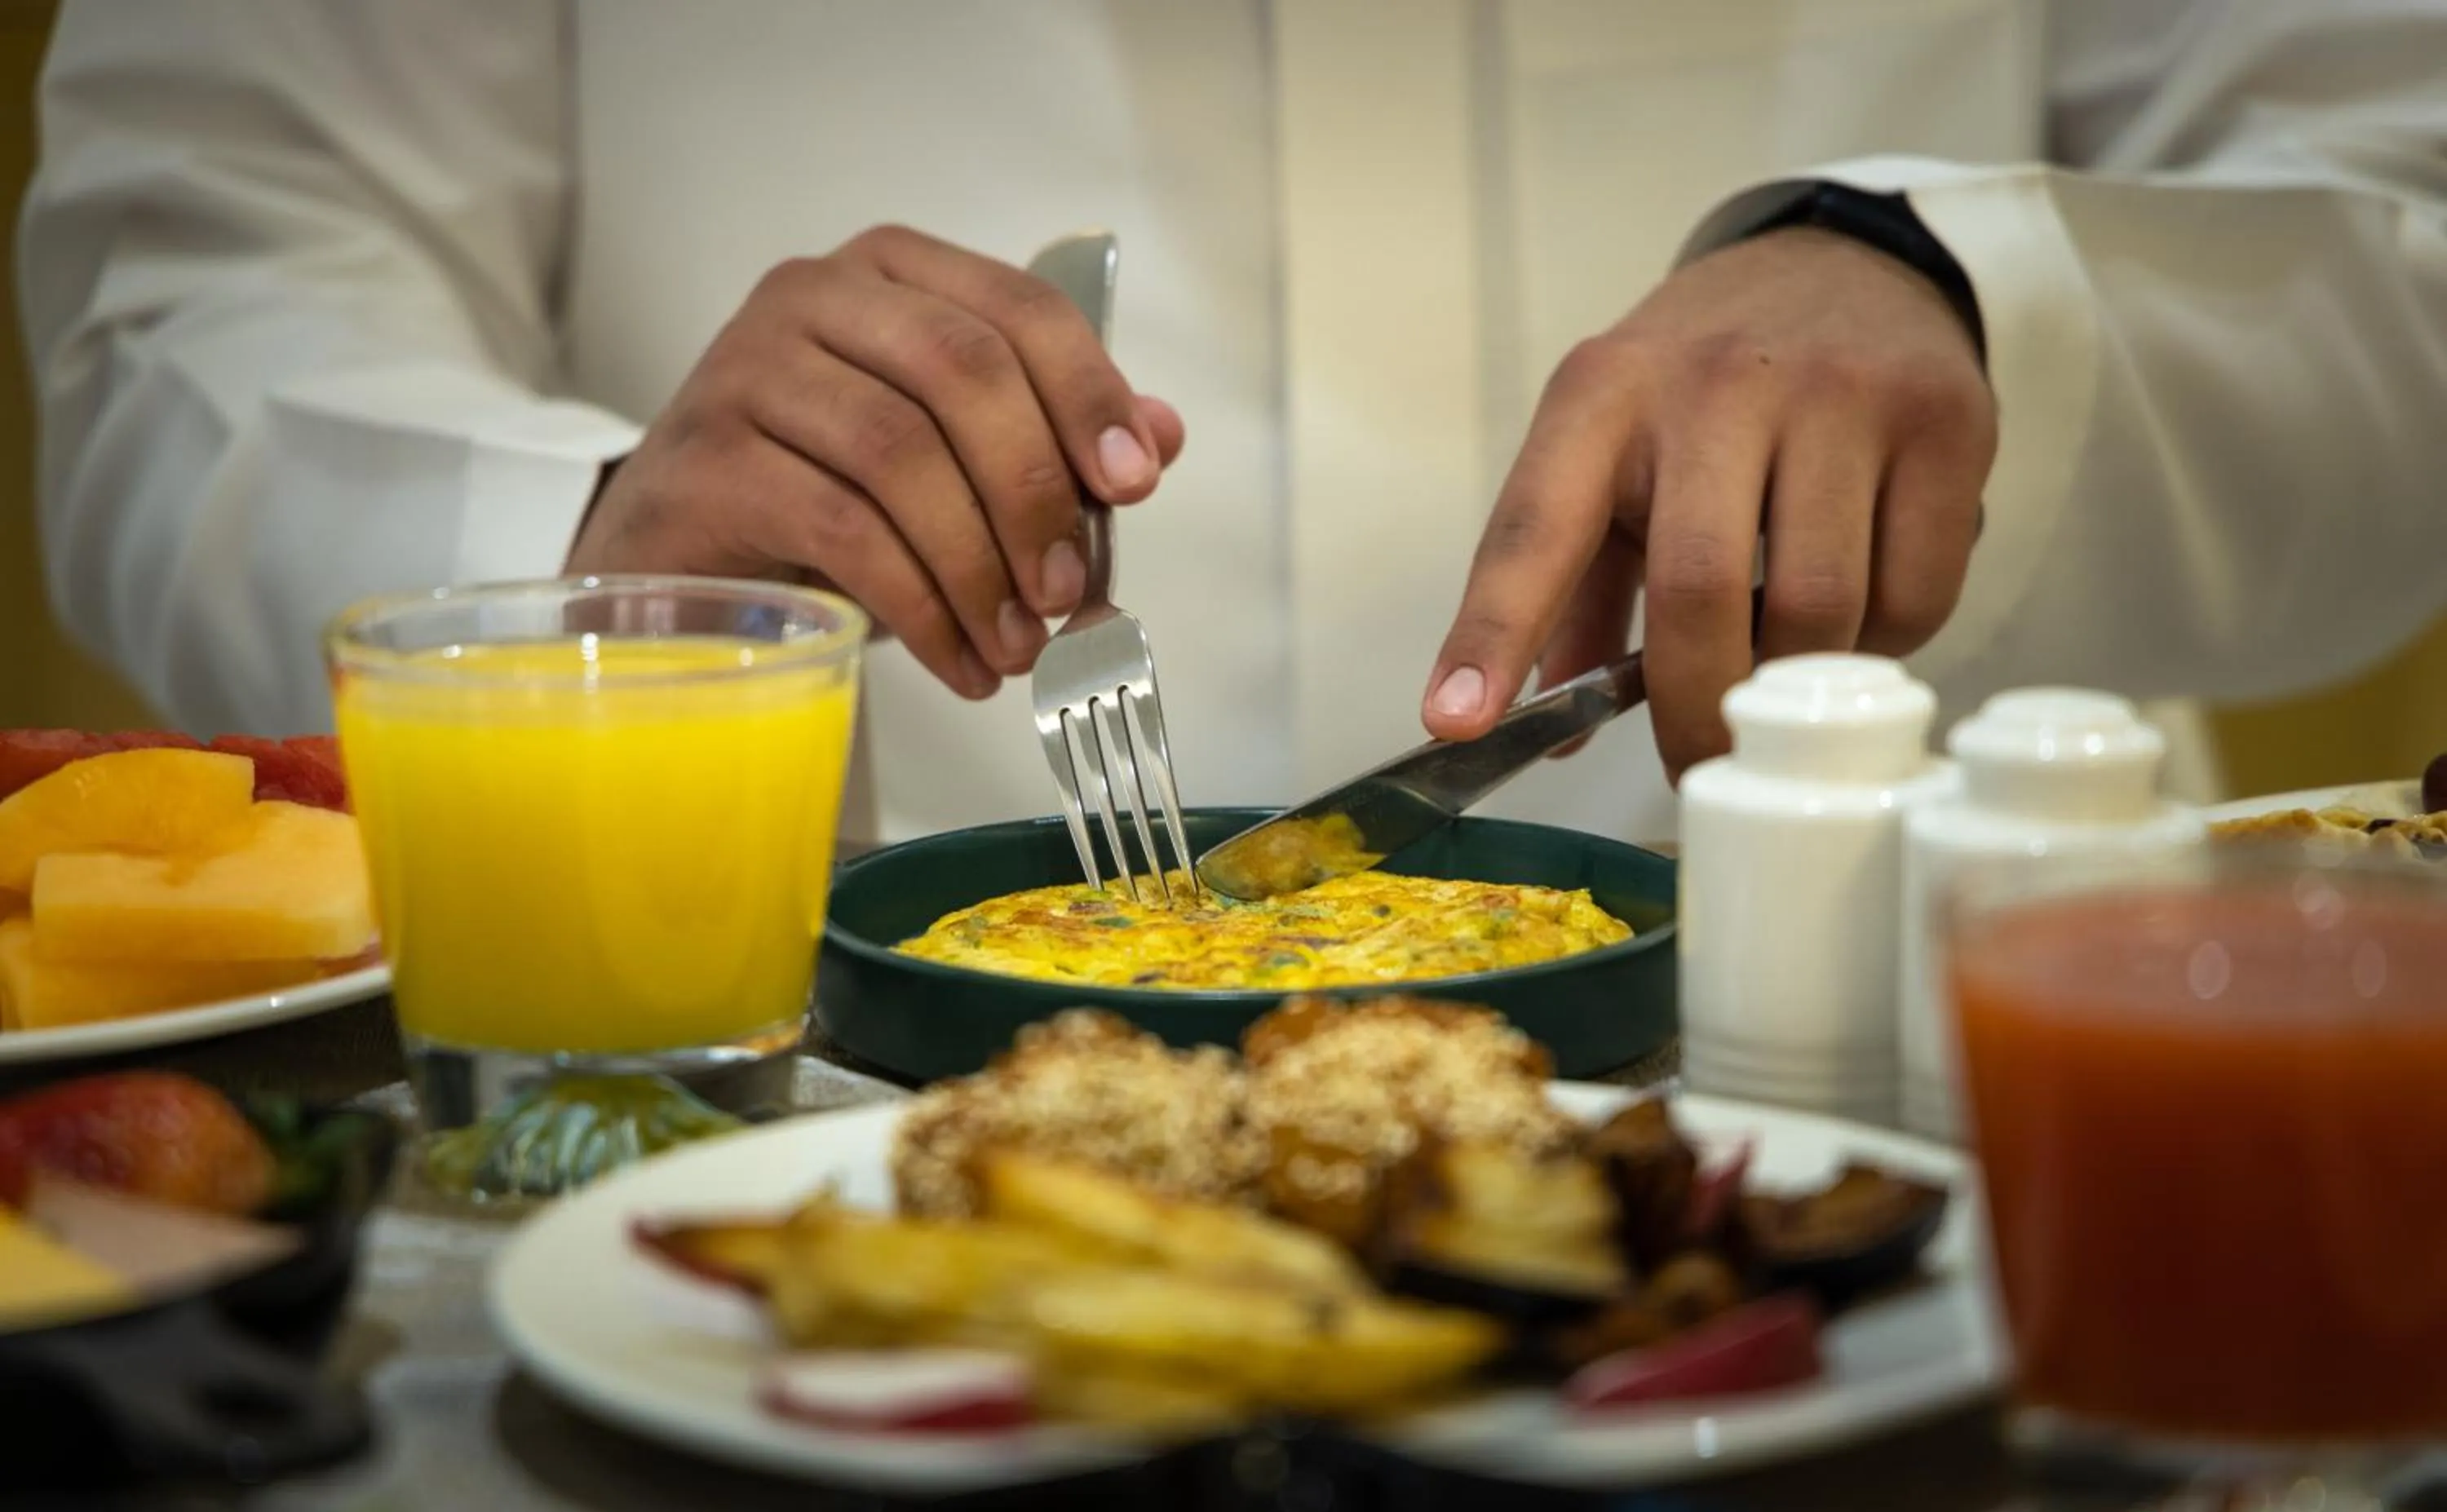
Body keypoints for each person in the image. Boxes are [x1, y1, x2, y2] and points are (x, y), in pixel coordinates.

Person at [19, 2, 2447, 849]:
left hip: (1933, 1140)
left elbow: (2403, 208)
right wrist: (587, 571)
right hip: (782, 1172)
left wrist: (1963, 290)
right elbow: (193, 290)